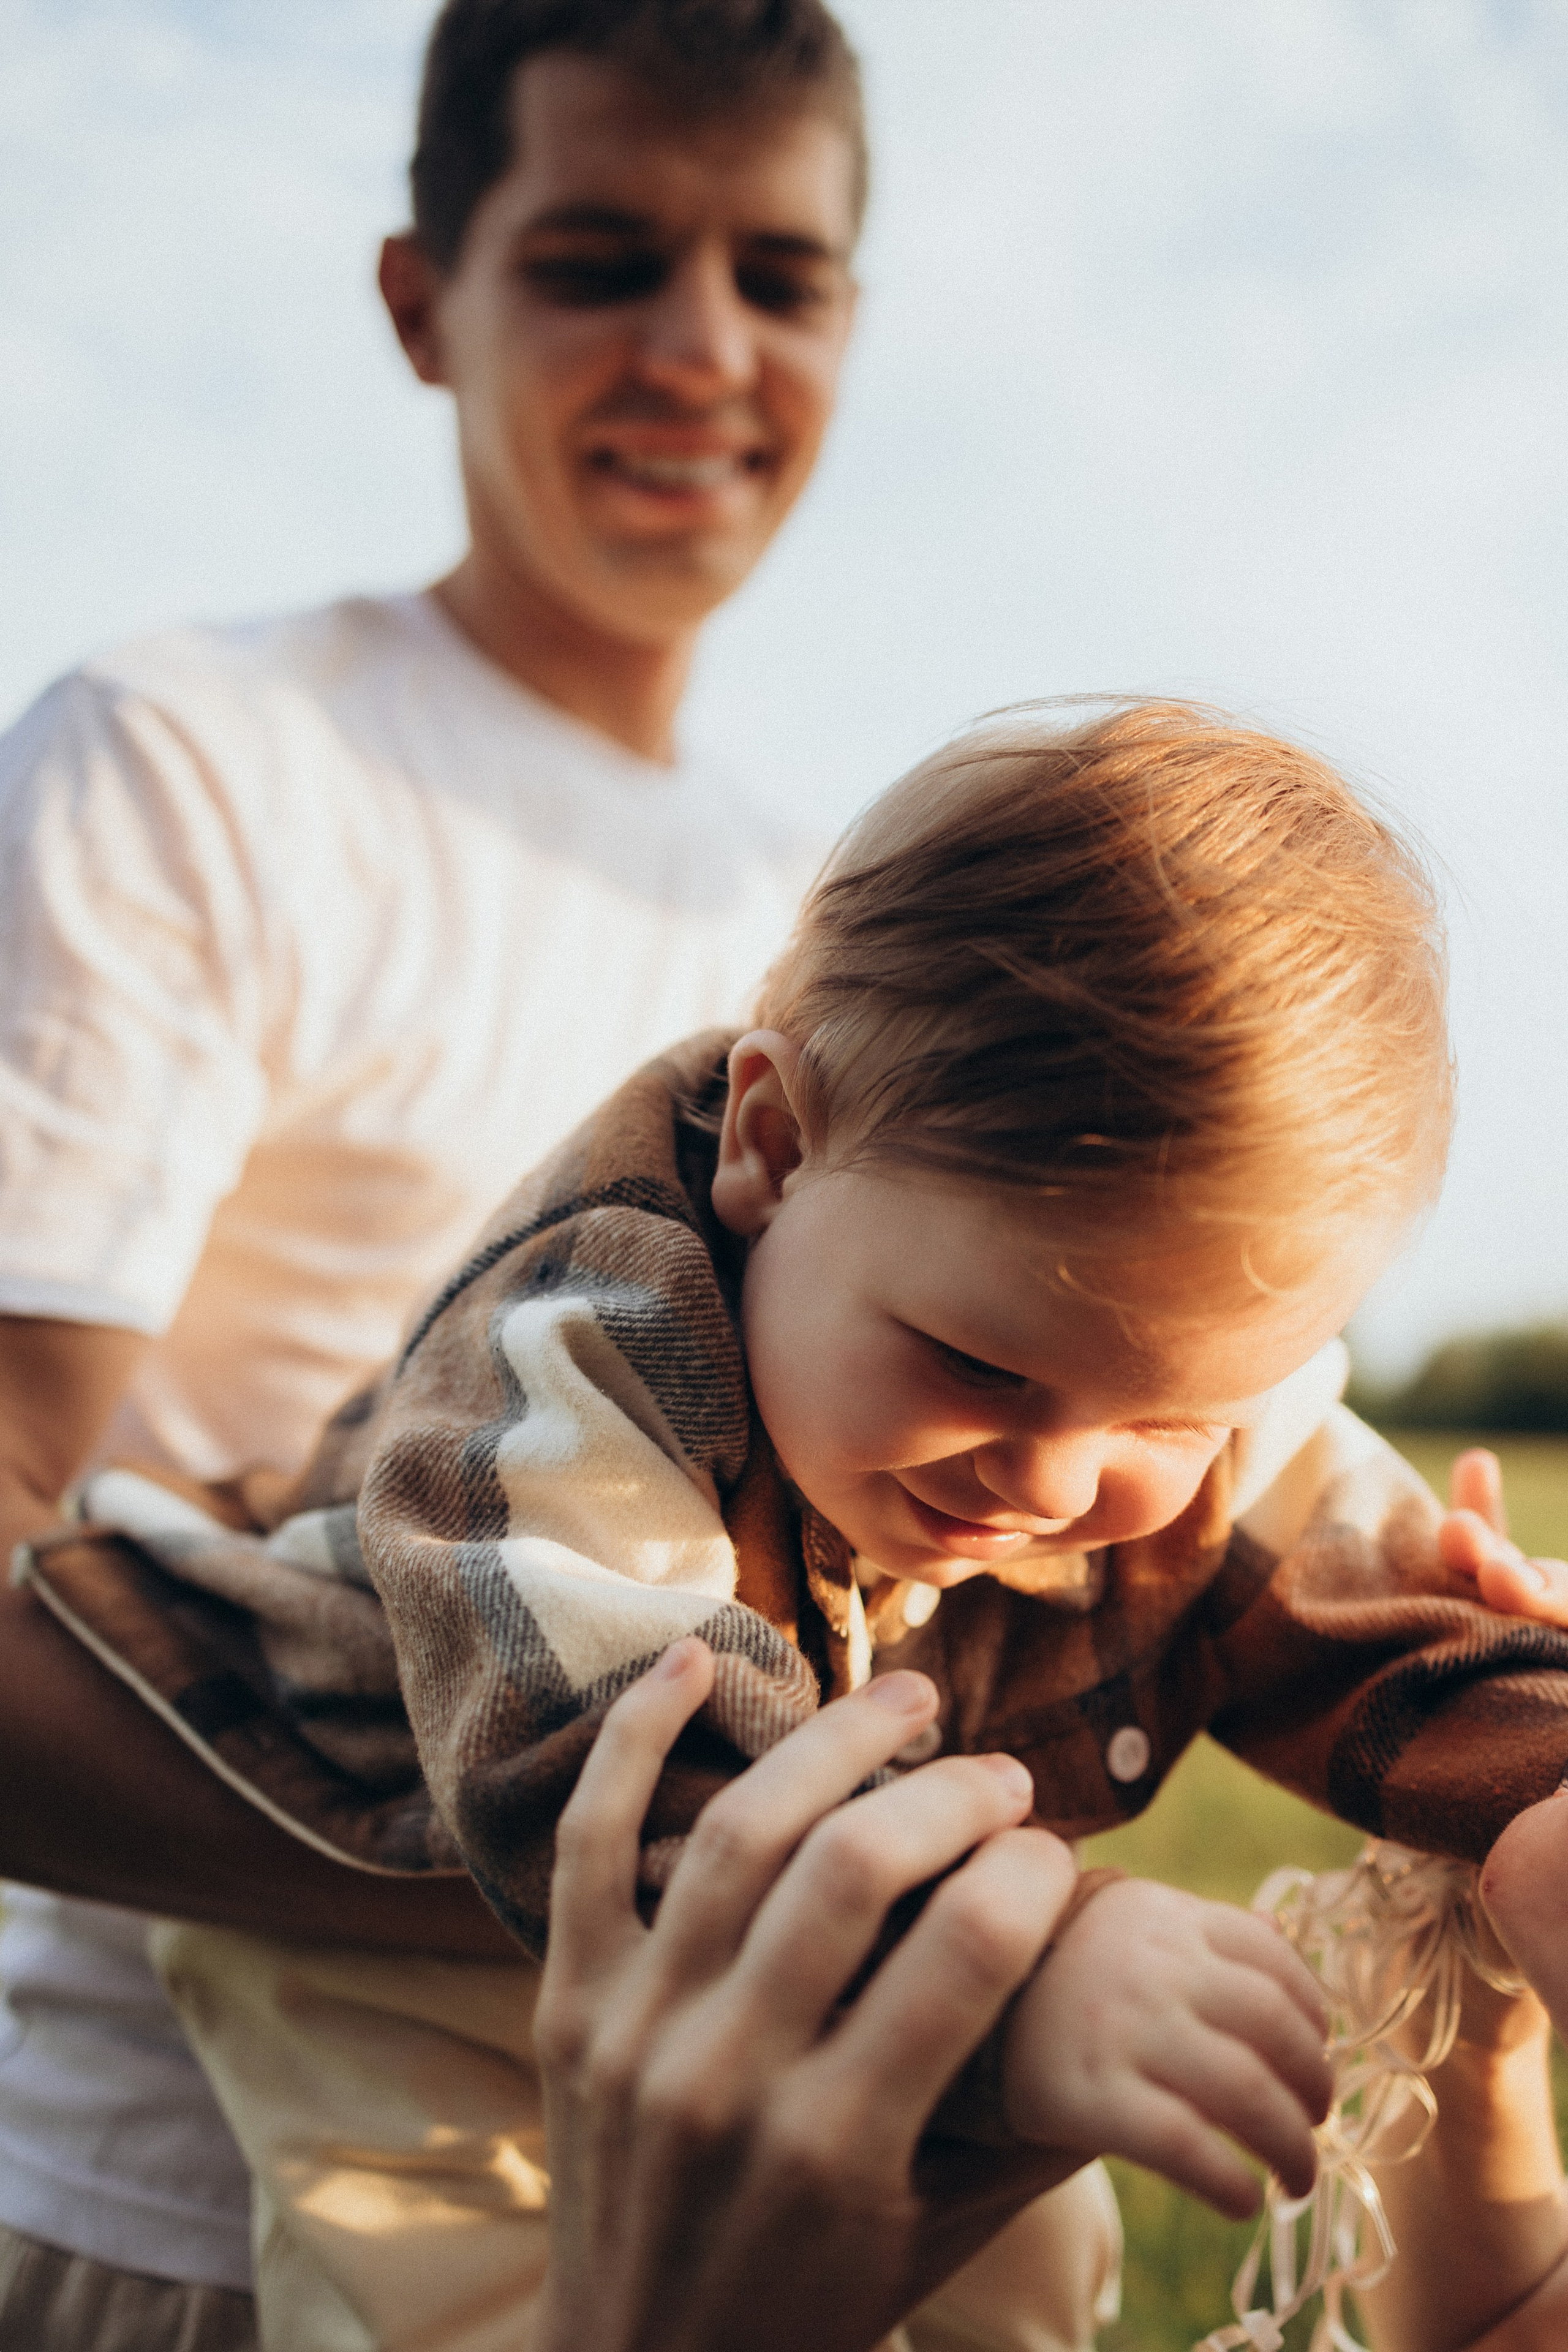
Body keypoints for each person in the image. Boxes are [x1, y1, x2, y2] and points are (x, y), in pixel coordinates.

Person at [46, 698, 1568, 2346]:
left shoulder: (1140, 1341)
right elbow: (615, 1747)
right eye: (975, 1364)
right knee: (445, 2292)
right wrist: (1024, 1964)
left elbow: (1353, 1583)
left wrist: (1527, 1762)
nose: (1058, 1483)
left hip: (854, 1901)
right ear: (772, 1144)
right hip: (396, 1915)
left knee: (1015, 2273)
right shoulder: (576, 1351)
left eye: (1167, 1420)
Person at [0, 0, 879, 2341]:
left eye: (780, 277)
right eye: (601, 258)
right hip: (171, 2208)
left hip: (687, 2219)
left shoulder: (847, 926)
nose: (702, 349)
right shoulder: (194, 760)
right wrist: (671, 1863)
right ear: (425, 303)